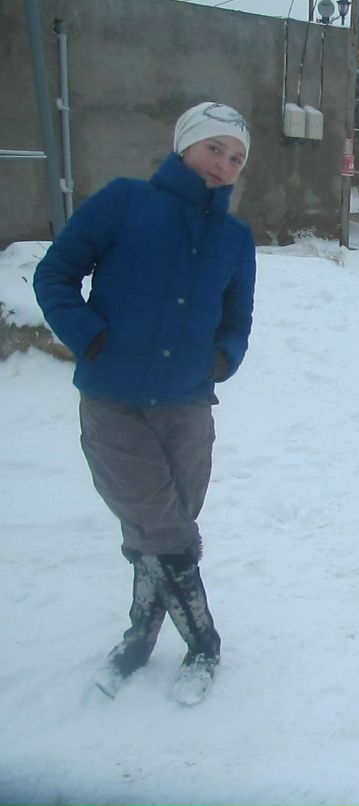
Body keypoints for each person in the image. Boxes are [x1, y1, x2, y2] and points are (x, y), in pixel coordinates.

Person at [33, 102, 256, 706]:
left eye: (236, 158)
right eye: (214, 148)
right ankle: (203, 643)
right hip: (115, 401)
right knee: (161, 526)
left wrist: (221, 361)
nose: (224, 163)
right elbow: (55, 275)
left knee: (165, 527)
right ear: (185, 145)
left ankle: (139, 637)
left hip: (188, 407)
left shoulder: (235, 238)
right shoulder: (125, 201)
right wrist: (93, 338)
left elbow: (237, 319)